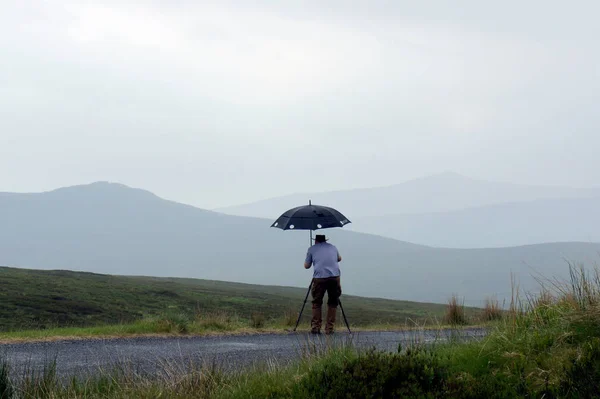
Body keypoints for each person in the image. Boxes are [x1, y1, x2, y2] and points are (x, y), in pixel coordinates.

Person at [304, 234, 343, 334]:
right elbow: (339, 259)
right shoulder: (333, 247)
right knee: (333, 302)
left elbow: (306, 266)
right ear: (325, 240)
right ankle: (329, 328)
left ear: (316, 240)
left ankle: (316, 327)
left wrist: (311, 257)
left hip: (319, 278)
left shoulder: (312, 249)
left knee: (317, 302)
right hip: (334, 277)